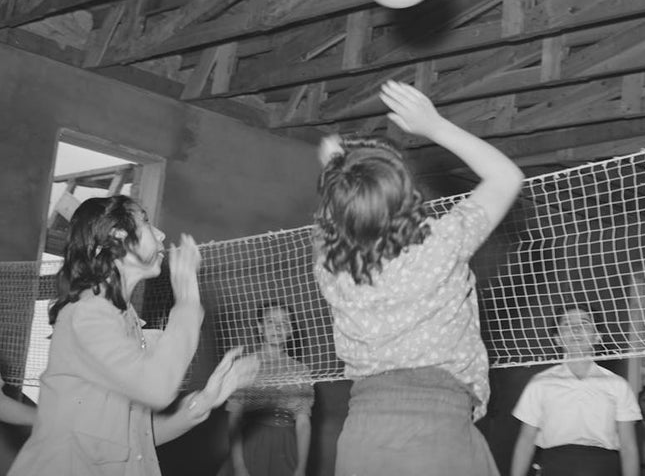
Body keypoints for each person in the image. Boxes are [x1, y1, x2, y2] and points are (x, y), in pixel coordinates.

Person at [314, 80, 524, 476]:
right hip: (437, 428)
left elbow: (335, 215)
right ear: (408, 196)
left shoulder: (330, 268)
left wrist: (336, 167)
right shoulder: (440, 246)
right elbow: (506, 177)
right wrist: (434, 126)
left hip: (362, 433)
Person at [8, 195, 259, 476]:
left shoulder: (125, 321)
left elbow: (136, 442)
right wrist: (187, 300)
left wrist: (206, 400)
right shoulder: (87, 314)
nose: (161, 233)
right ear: (118, 236)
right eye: (147, 222)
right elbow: (156, 388)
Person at [510, 304, 641, 476]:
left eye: (585, 323)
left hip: (603, 467)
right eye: (566, 324)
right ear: (557, 339)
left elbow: (628, 446)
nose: (576, 328)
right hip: (554, 465)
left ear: (597, 337)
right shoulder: (540, 383)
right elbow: (526, 441)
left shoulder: (617, 385)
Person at [220, 302, 314, 476]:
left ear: (291, 331)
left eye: (285, 323)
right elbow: (234, 419)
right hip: (250, 448)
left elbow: (302, 423)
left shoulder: (300, 370)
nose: (277, 328)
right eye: (270, 321)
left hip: (286, 451)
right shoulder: (245, 366)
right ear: (260, 327)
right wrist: (240, 467)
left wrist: (301, 468)